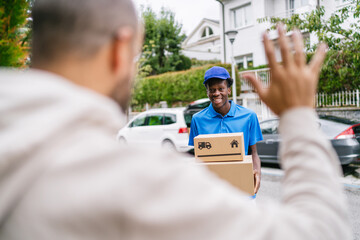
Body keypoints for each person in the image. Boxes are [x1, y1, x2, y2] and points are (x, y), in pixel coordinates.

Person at [0, 0, 351, 239]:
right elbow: (320, 231)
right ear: (121, 50)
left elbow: (251, 152)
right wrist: (299, 115)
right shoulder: (142, 183)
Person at [188, 66, 263, 194]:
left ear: (228, 90)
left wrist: (257, 173)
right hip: (210, 192)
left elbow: (254, 153)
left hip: (242, 189)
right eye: (212, 90)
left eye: (221, 89)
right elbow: (197, 156)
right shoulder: (197, 119)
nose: (216, 93)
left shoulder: (249, 116)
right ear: (207, 92)